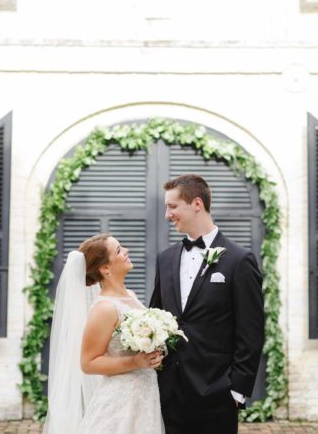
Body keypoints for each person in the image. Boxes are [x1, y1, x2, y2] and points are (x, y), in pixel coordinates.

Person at [150, 174, 265, 434]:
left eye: (172, 206)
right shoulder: (165, 259)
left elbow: (251, 331)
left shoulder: (239, 260)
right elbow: (156, 316)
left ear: (197, 204)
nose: (168, 215)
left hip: (217, 395)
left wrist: (237, 391)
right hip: (168, 392)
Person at [44, 233, 163, 434]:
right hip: (121, 402)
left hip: (145, 393)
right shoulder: (104, 308)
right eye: (118, 250)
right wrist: (134, 363)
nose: (126, 251)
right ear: (105, 268)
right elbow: (88, 363)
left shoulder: (131, 295)